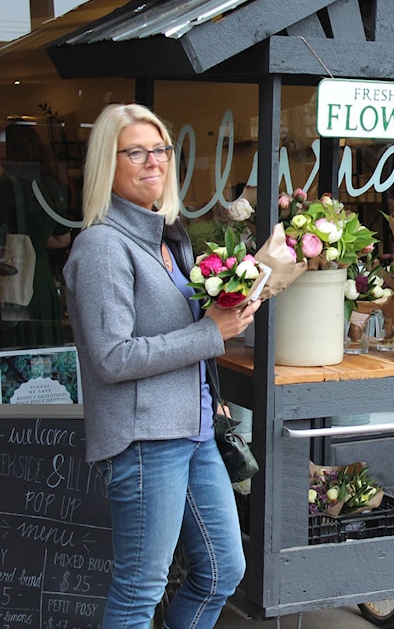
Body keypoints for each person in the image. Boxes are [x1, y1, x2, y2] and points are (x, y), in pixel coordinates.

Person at [63, 103, 260, 628]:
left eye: (161, 150)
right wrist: (209, 333)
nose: (154, 161)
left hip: (192, 429)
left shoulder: (170, 239)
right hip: (146, 438)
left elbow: (186, 334)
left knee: (222, 569)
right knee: (140, 589)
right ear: (109, 162)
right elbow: (111, 357)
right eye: (137, 152)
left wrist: (227, 316)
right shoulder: (103, 246)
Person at [0, 123, 72, 348]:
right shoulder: (51, 185)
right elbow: (63, 239)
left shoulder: (6, 186)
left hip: (11, 281)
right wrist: (33, 240)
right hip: (40, 281)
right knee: (41, 357)